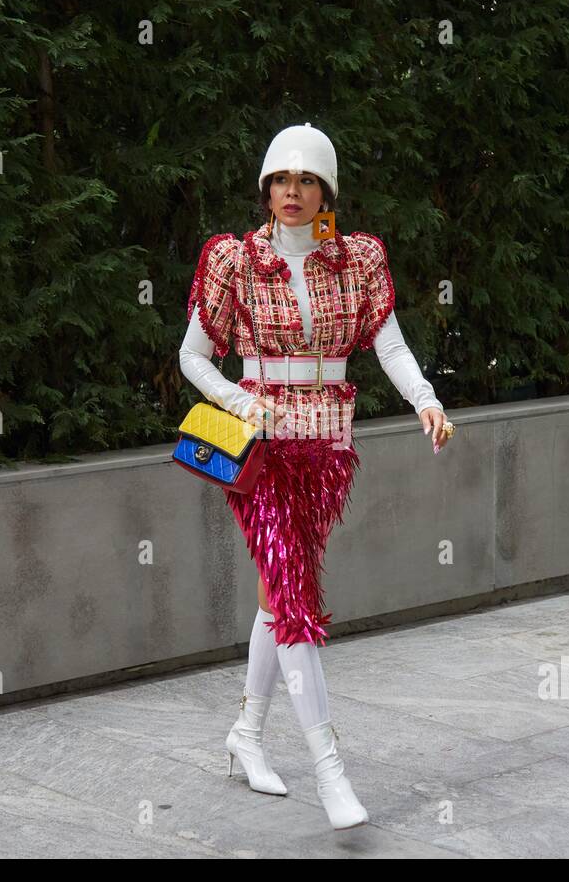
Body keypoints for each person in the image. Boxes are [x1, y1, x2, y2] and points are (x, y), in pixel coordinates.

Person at [178, 122, 455, 830]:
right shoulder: (232, 262)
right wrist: (245, 402)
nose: (290, 192)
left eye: (304, 180)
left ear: (325, 189)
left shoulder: (355, 260)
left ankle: (245, 733)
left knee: (278, 599)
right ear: (265, 188)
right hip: (257, 453)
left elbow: (387, 343)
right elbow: (193, 359)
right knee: (295, 598)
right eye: (279, 179)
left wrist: (426, 400)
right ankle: (331, 771)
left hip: (327, 447)